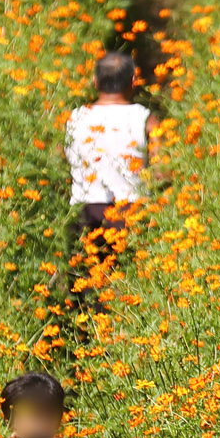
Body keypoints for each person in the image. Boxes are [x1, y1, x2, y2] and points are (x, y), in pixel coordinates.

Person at [64, 50, 156, 294]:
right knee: (129, 289)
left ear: (95, 83)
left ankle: (87, 330)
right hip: (130, 214)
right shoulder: (145, 119)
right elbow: (163, 173)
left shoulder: (74, 118)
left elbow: (59, 165)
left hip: (84, 212)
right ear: (134, 82)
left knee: (86, 288)